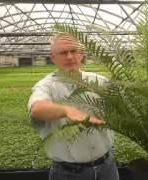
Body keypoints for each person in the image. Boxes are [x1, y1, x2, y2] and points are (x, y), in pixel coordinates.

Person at [28, 33, 119, 180]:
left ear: (81, 54)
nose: (70, 57)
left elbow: (123, 105)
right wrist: (65, 110)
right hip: (69, 174)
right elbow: (37, 109)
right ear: (53, 58)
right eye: (63, 53)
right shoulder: (46, 86)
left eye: (74, 51)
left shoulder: (100, 81)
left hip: (107, 167)